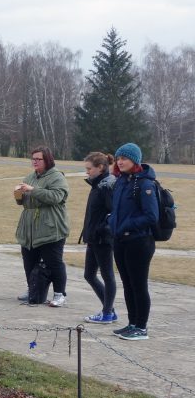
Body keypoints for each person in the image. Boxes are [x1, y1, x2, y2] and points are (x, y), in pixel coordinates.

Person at [109, 143, 158, 341]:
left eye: (125, 158)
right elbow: (117, 209)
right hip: (120, 240)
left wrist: (127, 225)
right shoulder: (121, 181)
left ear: (135, 161)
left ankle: (141, 327)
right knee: (127, 284)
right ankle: (132, 323)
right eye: (118, 157)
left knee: (138, 285)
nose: (120, 161)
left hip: (139, 242)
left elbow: (151, 216)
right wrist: (111, 222)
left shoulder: (144, 184)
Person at [14, 147, 70, 307]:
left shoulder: (57, 177)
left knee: (54, 262)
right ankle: (33, 290)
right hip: (30, 228)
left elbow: (56, 197)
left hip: (51, 227)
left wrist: (33, 190)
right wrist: (19, 195)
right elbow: (24, 201)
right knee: (29, 260)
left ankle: (59, 294)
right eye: (33, 159)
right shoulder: (30, 177)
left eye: (38, 159)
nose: (35, 162)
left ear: (47, 160)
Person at [80, 152, 117, 323]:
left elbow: (114, 212)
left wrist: (103, 229)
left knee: (107, 274)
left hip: (102, 239)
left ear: (100, 167)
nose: (87, 172)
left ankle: (107, 313)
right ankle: (109, 309)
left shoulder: (106, 186)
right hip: (93, 237)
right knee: (89, 274)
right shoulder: (96, 185)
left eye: (89, 168)